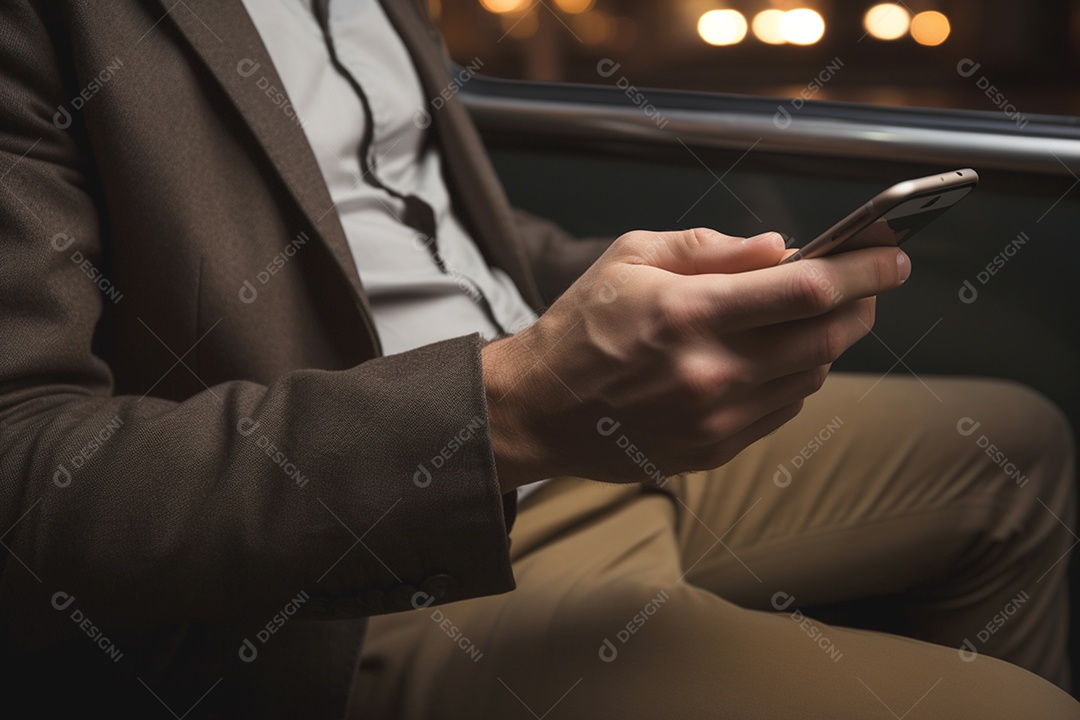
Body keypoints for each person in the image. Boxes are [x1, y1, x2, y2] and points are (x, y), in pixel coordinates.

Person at [0, 0, 1074, 718]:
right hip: (359, 551)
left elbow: (430, 230)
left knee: (1014, 447)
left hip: (562, 423)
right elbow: (25, 483)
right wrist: (505, 411)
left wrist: (687, 294)